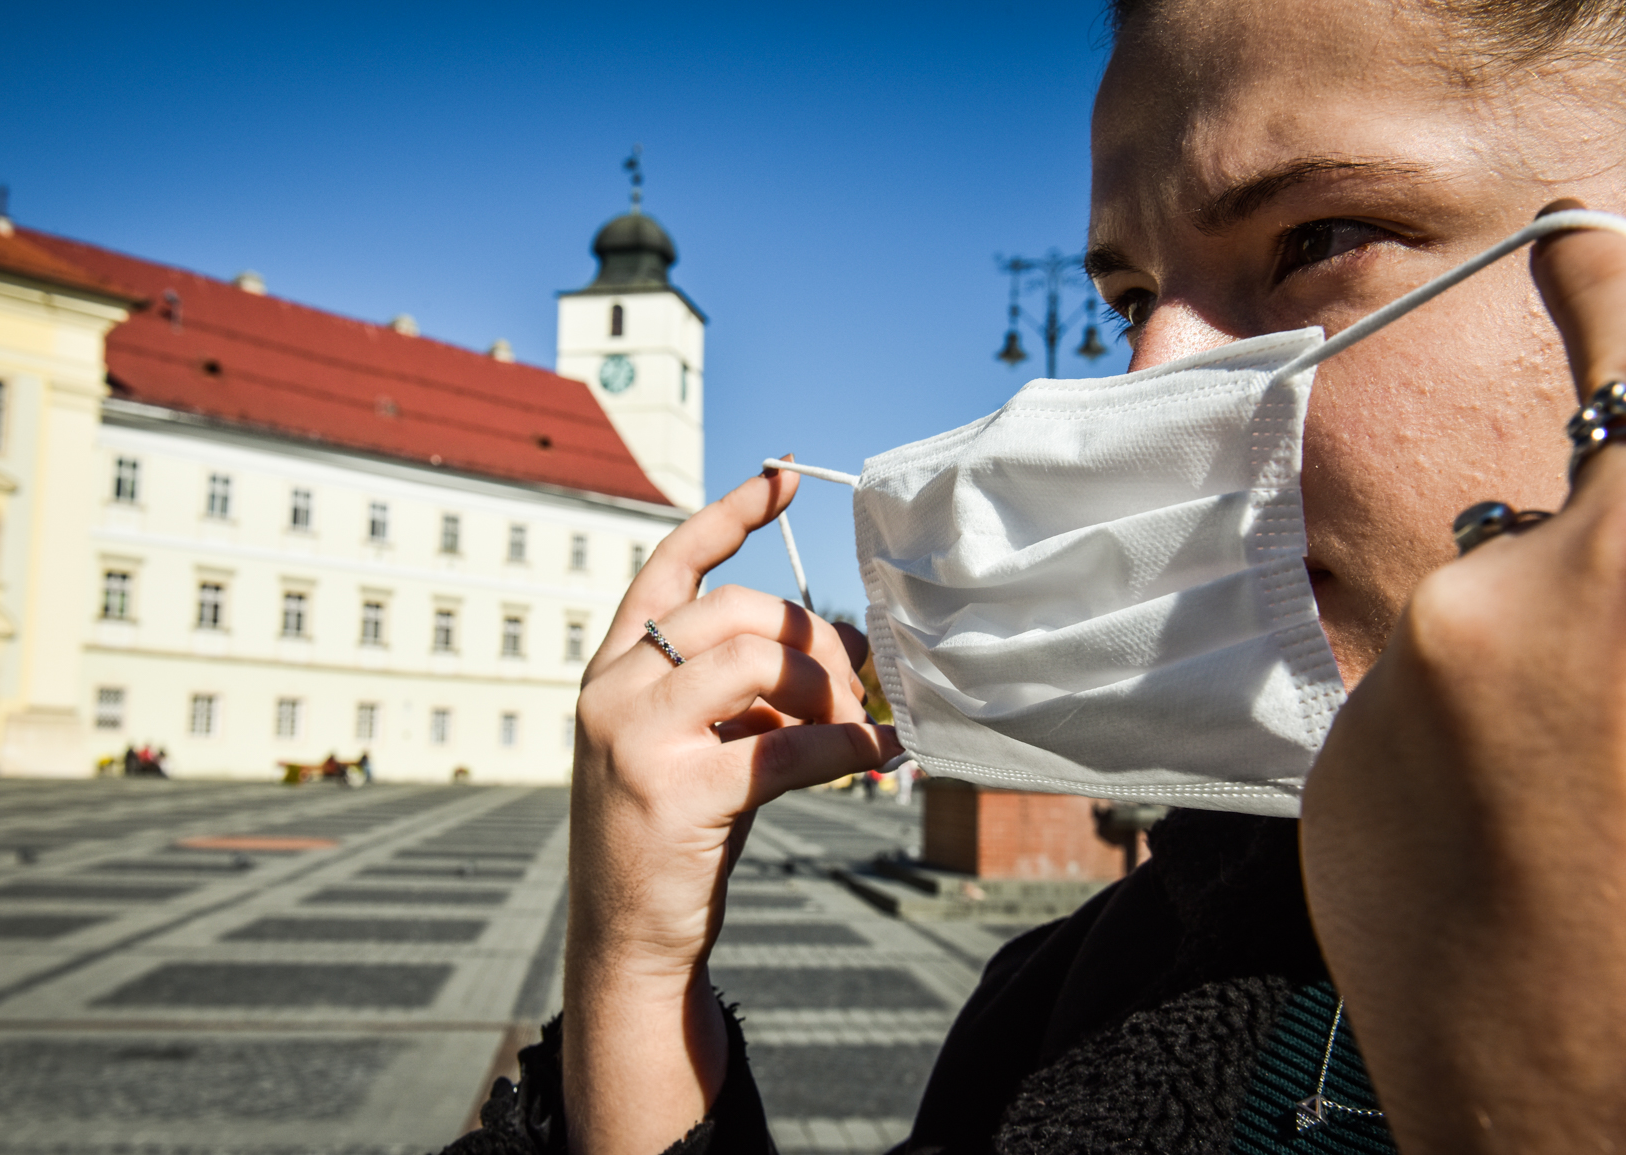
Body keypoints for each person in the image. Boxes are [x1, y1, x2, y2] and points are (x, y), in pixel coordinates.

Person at [444, 2, 1626, 1153]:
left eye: (1315, 240)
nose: (1149, 398)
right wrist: (635, 974)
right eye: (1129, 301)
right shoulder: (1069, 1000)